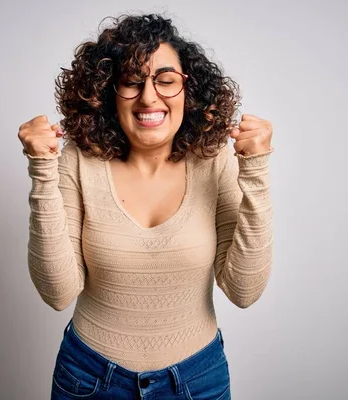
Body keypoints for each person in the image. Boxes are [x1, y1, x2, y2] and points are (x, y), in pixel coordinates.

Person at [18, 13, 274, 400]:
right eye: (132, 82)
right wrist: (42, 170)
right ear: (108, 93)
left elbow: (244, 290)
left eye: (166, 81)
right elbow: (57, 293)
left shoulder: (214, 160)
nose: (149, 97)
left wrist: (255, 169)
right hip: (88, 380)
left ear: (189, 91)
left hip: (197, 381)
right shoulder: (78, 161)